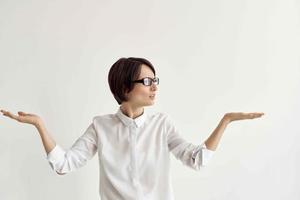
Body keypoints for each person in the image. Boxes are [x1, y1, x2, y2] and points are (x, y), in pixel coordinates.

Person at [1, 57, 264, 200]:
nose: (154, 86)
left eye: (155, 80)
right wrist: (39, 125)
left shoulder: (162, 124)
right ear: (125, 87)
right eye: (147, 80)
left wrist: (226, 120)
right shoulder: (100, 126)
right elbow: (63, 164)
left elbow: (197, 160)